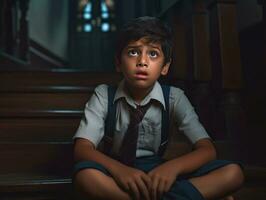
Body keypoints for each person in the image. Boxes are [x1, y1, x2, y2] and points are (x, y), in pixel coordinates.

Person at [72, 16, 244, 200]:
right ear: (118, 63)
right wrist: (121, 171)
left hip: (159, 171)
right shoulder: (104, 94)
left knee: (233, 172)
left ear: (165, 67)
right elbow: (82, 149)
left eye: (153, 54)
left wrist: (172, 168)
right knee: (85, 176)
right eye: (133, 52)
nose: (142, 61)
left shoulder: (174, 97)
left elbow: (207, 149)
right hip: (116, 170)